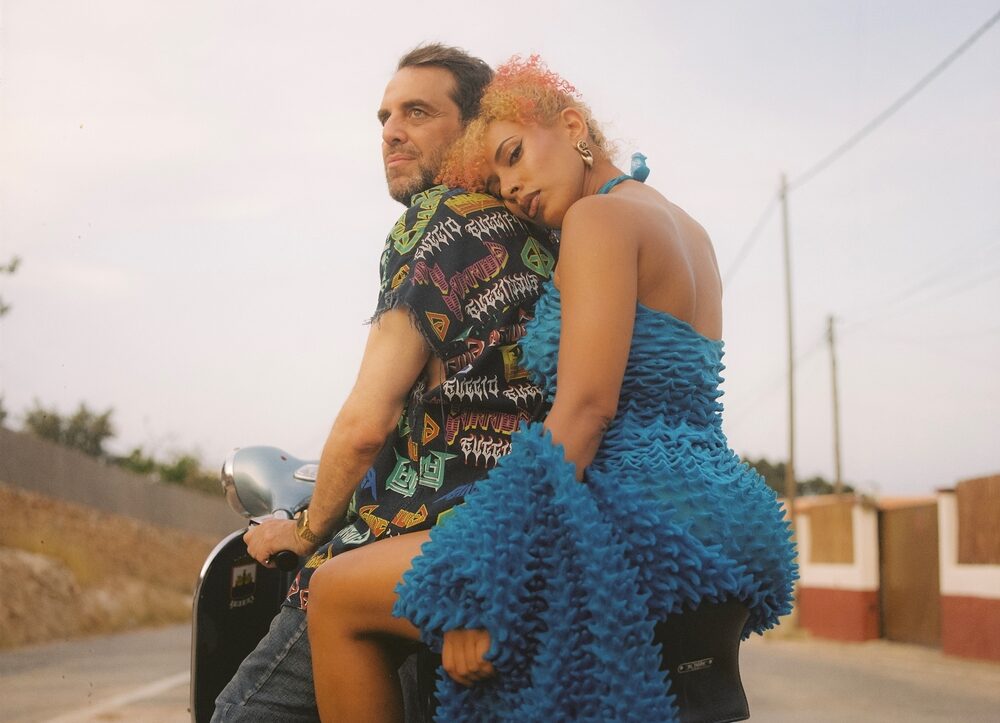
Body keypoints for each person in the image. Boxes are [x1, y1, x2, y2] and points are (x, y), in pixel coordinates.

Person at [306, 56, 798, 722]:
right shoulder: (688, 229)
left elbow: (586, 411)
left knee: (335, 593)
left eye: (514, 155)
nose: (513, 187)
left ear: (572, 126)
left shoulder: (598, 220)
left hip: (632, 509)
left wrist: (484, 575)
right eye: (498, 183)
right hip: (724, 508)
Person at [212, 45, 558, 722]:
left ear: (476, 127)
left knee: (243, 713)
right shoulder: (540, 232)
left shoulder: (436, 220)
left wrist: (305, 531)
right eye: (385, 117)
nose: (392, 132)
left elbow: (367, 423)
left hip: (415, 539)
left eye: (417, 113)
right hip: (521, 540)